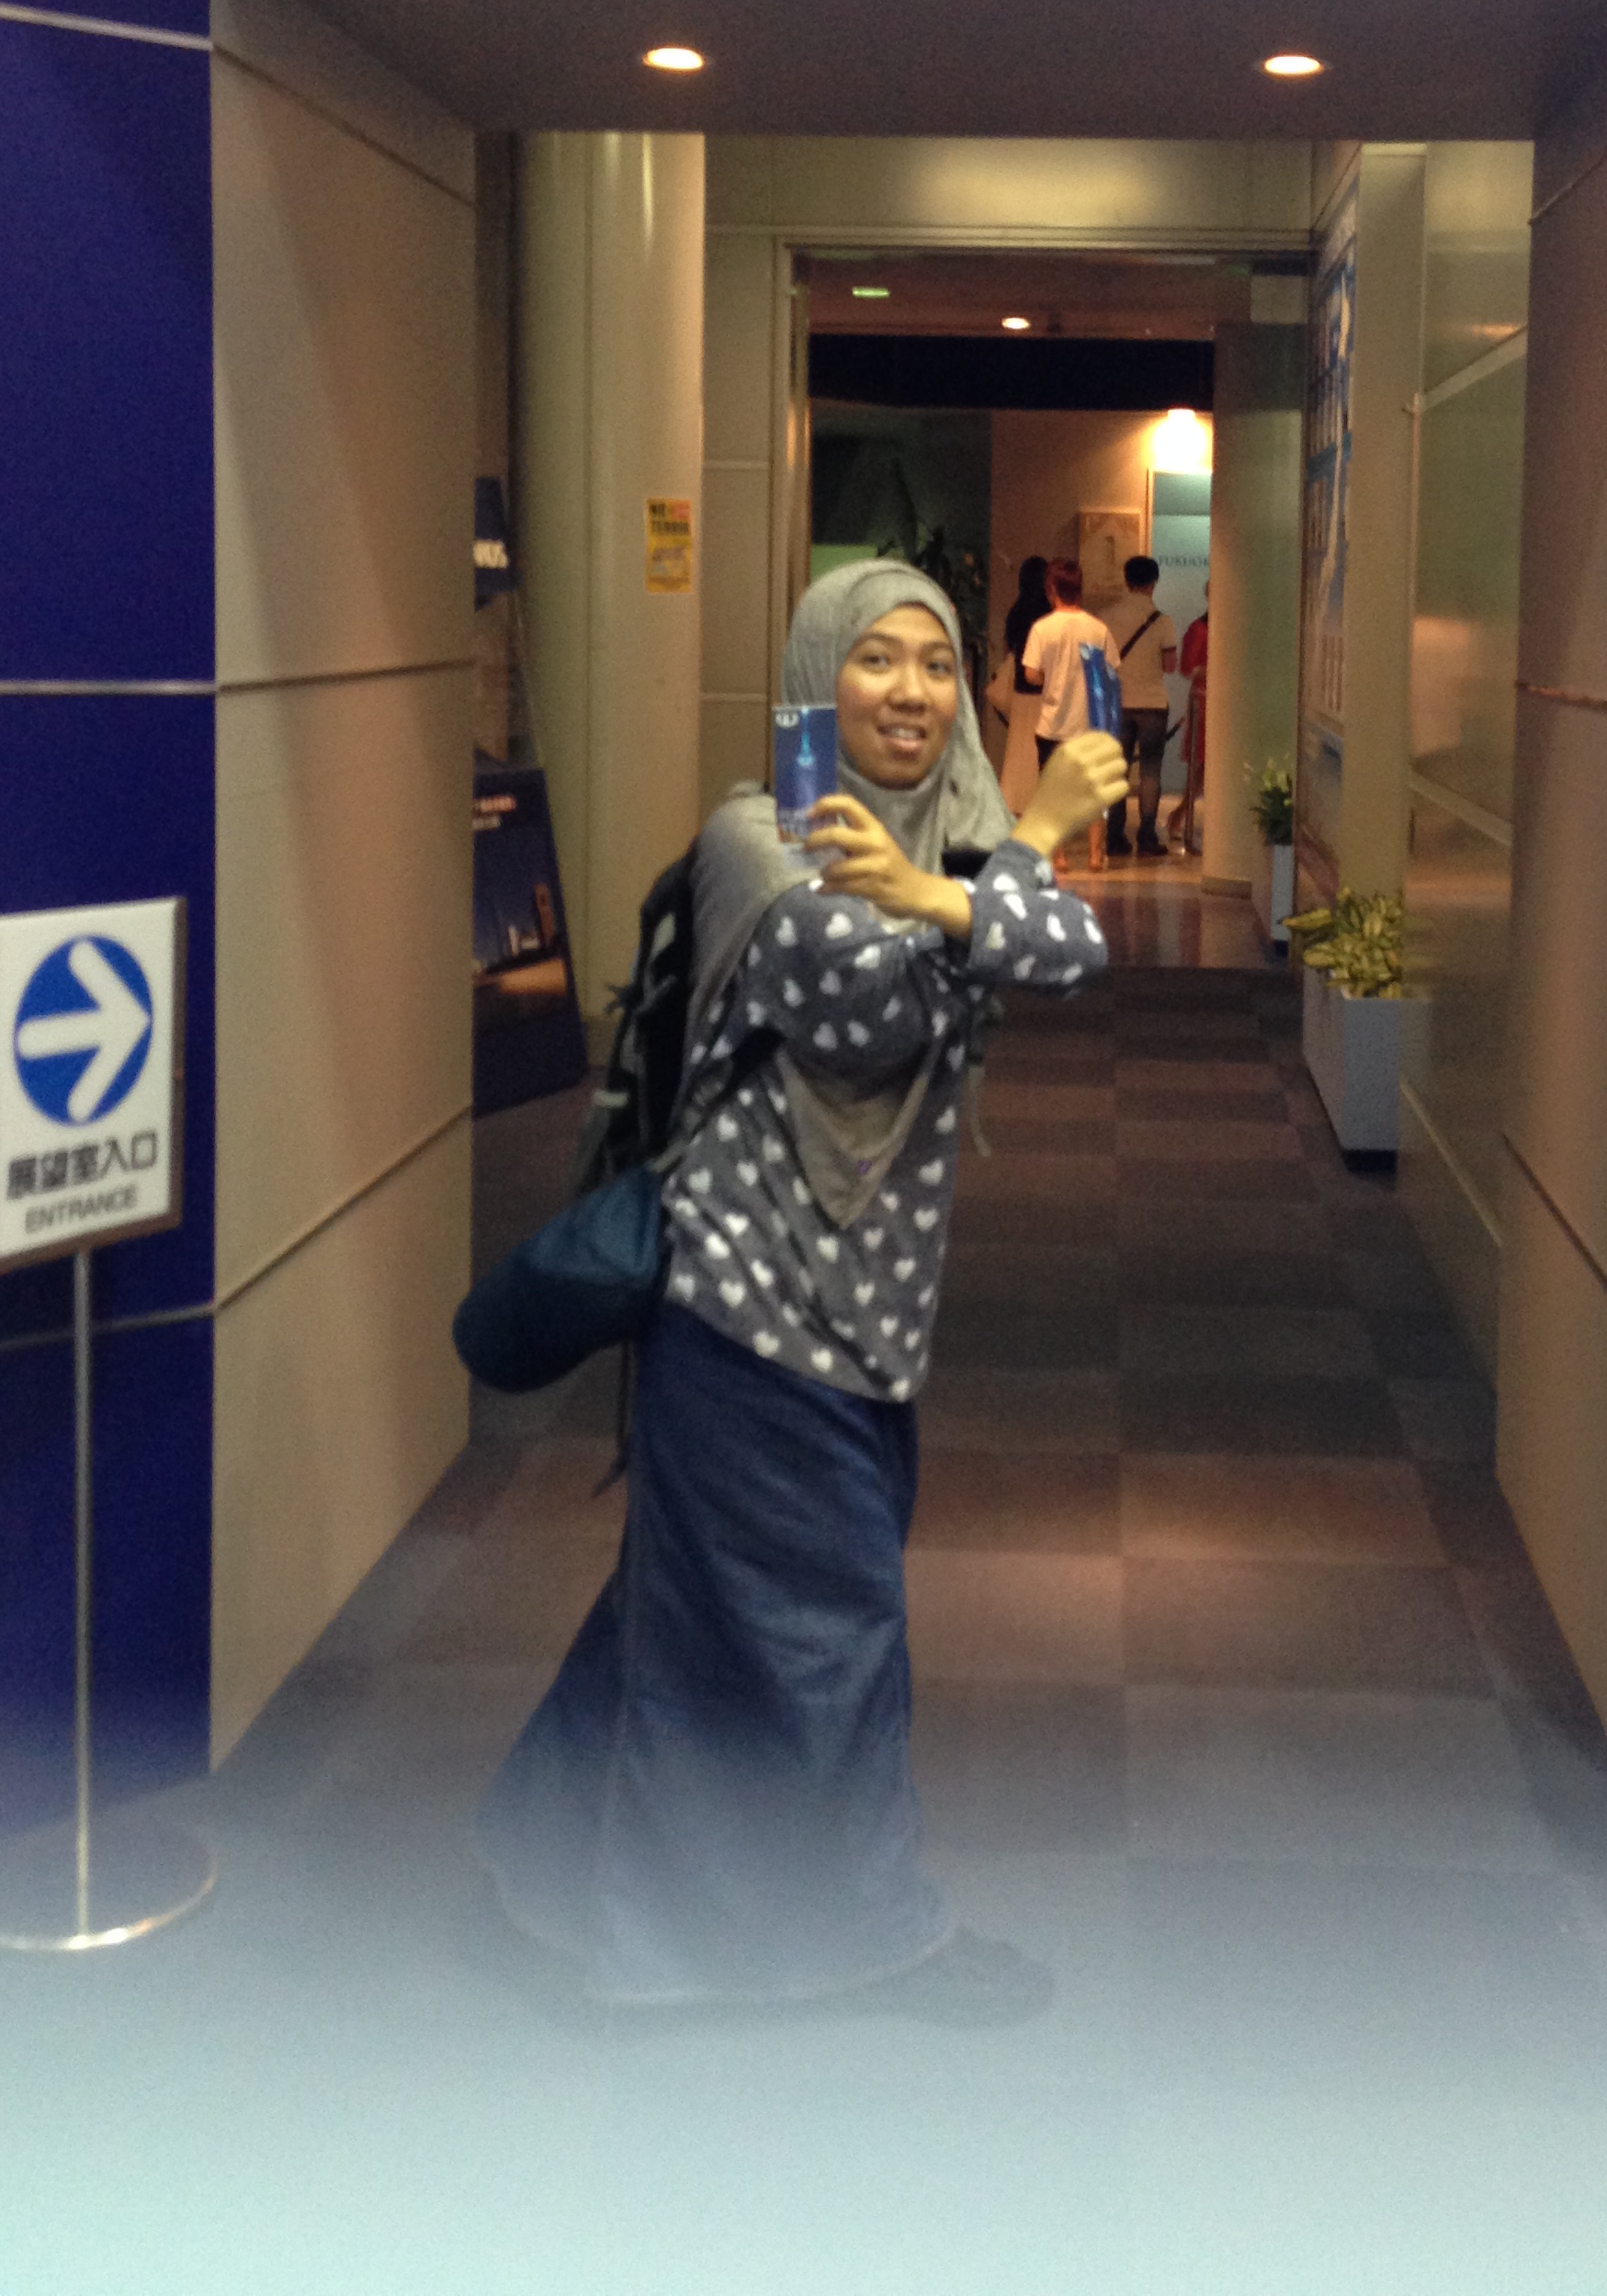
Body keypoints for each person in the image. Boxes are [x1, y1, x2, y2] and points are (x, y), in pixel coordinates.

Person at [476, 559, 1127, 2023]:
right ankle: (862, 1939)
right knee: (832, 1640)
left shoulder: (949, 840)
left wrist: (955, 890)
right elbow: (866, 1000)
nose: (912, 692)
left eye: (938, 665)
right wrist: (1019, 851)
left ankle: (538, 1860)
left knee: (686, 1613)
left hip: (866, 1321)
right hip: (745, 1310)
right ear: (815, 675)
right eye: (875, 658)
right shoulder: (758, 838)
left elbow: (1071, 951)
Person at [1016, 558, 1119, 872]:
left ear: (1051, 589)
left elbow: (1031, 673)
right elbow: (1112, 670)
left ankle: (1059, 857)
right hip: (1091, 721)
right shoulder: (1098, 628)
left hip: (1053, 721)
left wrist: (1050, 678)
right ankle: (1095, 855)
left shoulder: (1042, 628)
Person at [1095, 553, 1179, 857]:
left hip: (1118, 704)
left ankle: (1115, 837)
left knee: (1118, 771)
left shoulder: (1106, 618)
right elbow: (1170, 665)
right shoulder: (1163, 621)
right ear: (1154, 582)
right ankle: (1146, 836)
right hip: (1153, 703)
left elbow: (1100, 662)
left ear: (1126, 580)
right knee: (1150, 771)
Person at [991, 551, 1051, 815]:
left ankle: (1014, 800)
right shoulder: (1050, 614)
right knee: (1043, 749)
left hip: (1021, 688)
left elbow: (1009, 649)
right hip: (1046, 689)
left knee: (1018, 748)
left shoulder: (1016, 612)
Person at [1173, 593, 1209, 854]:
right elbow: (1187, 668)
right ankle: (1179, 816)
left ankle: (1179, 816)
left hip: (1221, 702)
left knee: (1206, 769)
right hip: (1204, 703)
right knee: (1201, 767)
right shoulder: (1199, 628)